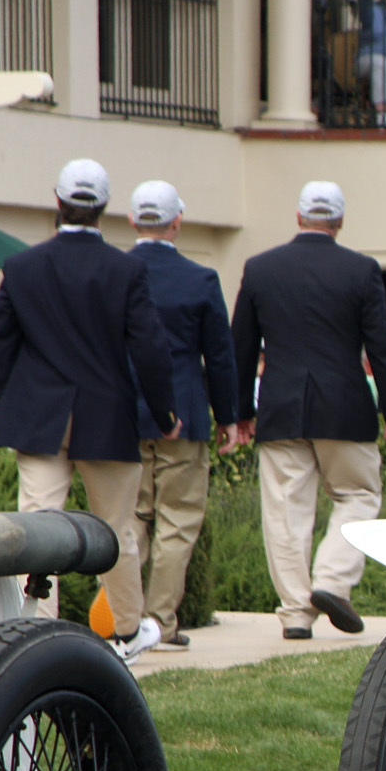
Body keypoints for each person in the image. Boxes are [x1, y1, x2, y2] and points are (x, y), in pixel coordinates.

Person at [0, 159, 180, 661]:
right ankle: (130, 630)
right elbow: (150, 349)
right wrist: (164, 414)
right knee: (116, 530)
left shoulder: (22, 266)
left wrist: (9, 408)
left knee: (36, 530)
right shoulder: (126, 269)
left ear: (57, 201)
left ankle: (28, 632)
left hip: (40, 418)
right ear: (105, 208)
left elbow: (0, 344)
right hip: (106, 415)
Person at [229, 181, 386, 640]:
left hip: (281, 407)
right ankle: (331, 580)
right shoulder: (361, 269)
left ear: (298, 217)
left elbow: (242, 347)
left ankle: (294, 613)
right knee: (358, 495)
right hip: (344, 407)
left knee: (286, 513)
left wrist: (238, 411)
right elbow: (383, 347)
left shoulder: (260, 268)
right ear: (340, 221)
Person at [127, 180, 237, 649]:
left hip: (122, 417)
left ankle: (123, 620)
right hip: (183, 414)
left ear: (132, 220)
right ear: (177, 222)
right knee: (177, 521)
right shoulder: (200, 278)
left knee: (127, 520)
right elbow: (221, 354)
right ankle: (160, 622)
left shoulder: (114, 273)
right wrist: (230, 416)